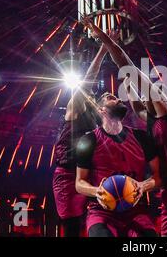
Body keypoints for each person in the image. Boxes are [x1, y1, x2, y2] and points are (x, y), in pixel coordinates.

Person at [82, 19, 167, 237]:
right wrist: (126, 83)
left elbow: (125, 63)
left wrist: (101, 35)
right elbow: (135, 105)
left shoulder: (164, 107)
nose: (143, 96)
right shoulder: (150, 116)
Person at [74, 91, 161, 237]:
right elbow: (79, 182)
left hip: (135, 210)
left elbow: (159, 176)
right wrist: (97, 191)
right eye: (111, 98)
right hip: (101, 211)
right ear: (101, 110)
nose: (119, 99)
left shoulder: (141, 137)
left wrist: (142, 186)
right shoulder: (88, 140)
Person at [52, 42, 107, 237]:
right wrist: (103, 49)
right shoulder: (73, 109)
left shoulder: (97, 121)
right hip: (67, 176)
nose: (89, 93)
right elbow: (89, 81)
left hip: (88, 174)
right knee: (73, 229)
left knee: (98, 225)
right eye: (87, 91)